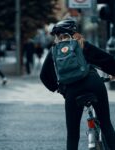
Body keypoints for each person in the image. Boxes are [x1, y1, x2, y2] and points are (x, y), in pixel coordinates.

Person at [40, 18, 115, 150]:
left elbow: (44, 76)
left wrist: (59, 88)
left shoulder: (54, 51)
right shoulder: (82, 44)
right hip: (94, 84)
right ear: (75, 32)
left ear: (57, 36)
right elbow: (107, 60)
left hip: (72, 91)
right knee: (106, 125)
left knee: (73, 134)